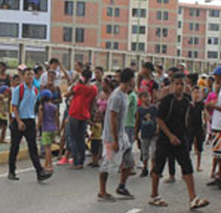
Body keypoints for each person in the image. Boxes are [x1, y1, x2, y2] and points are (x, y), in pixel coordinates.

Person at [149, 72, 210, 210]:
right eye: (177, 84)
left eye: (182, 84)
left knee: (187, 167)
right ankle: (154, 195)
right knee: (158, 167)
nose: (179, 87)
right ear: (172, 85)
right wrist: (170, 136)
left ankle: (193, 198)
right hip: (165, 139)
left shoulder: (187, 100)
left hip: (181, 138)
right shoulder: (167, 100)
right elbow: (159, 119)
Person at [8, 67, 52, 182]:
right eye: (28, 74)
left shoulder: (35, 90)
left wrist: (37, 123)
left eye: (32, 75)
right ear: (23, 76)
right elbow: (14, 107)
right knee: (14, 147)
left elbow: (34, 107)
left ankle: (40, 172)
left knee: (33, 148)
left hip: (30, 121)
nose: (30, 77)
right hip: (19, 120)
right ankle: (11, 171)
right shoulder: (18, 90)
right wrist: (18, 121)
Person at [98, 68, 136, 201]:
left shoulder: (125, 94)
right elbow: (112, 118)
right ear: (130, 80)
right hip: (111, 136)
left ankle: (121, 186)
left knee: (129, 162)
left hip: (122, 134)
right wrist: (114, 140)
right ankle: (102, 191)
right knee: (107, 164)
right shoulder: (117, 96)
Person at [65, 68, 97, 169]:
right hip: (85, 114)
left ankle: (76, 161)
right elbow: (92, 103)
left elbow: (68, 94)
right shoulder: (93, 89)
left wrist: (77, 82)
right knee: (81, 138)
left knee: (73, 138)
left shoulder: (78, 87)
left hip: (74, 113)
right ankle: (81, 160)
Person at [136, 91, 157, 177]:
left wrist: (158, 128)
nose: (147, 99)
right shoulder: (139, 110)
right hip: (144, 133)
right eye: (145, 97)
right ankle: (145, 168)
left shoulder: (154, 108)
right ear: (141, 99)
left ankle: (154, 169)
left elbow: (158, 119)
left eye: (148, 97)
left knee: (154, 152)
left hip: (154, 133)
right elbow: (137, 122)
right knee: (145, 152)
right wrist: (136, 133)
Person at [38, 90, 58, 172]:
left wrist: (37, 128)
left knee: (47, 149)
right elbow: (56, 118)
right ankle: (46, 164)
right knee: (49, 147)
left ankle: (50, 165)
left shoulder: (42, 107)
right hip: (53, 128)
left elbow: (40, 119)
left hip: (46, 129)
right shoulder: (54, 106)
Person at [187, 87, 206, 173]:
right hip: (190, 127)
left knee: (199, 147)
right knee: (188, 147)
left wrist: (205, 127)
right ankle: (187, 166)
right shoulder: (189, 104)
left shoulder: (202, 104)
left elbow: (205, 115)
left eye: (198, 93)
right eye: (195, 93)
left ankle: (198, 165)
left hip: (199, 127)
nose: (196, 95)